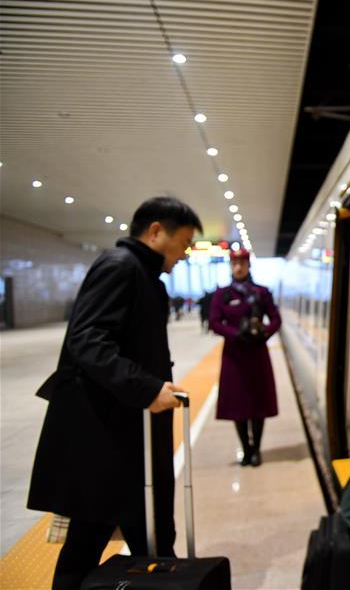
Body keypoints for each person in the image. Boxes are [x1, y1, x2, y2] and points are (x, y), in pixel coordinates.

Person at [27, 197, 202, 590]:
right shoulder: (120, 268)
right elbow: (87, 340)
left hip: (123, 432)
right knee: (98, 539)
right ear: (156, 231)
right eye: (185, 242)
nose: (187, 253)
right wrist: (147, 389)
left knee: (132, 537)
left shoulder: (142, 275)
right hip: (106, 436)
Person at [209, 249, 282, 466]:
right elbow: (214, 322)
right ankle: (246, 448)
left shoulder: (261, 293)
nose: (238, 267)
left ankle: (257, 449)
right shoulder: (222, 295)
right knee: (238, 405)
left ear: (249, 265)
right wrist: (235, 334)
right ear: (231, 267)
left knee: (258, 403)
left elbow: (276, 319)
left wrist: (264, 333)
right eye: (234, 264)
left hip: (257, 354)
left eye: (242, 263)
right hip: (234, 357)